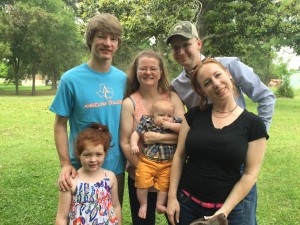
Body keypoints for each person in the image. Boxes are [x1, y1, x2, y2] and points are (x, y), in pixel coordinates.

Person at [166, 21, 276, 225]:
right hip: (201, 168)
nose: (181, 51)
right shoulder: (178, 85)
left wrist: (253, 139)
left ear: (198, 43)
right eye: (175, 48)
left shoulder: (229, 65)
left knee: (243, 216)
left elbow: (266, 97)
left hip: (236, 161)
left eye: (186, 44)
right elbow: (182, 124)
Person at [49, 13, 127, 205]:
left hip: (115, 169)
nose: (107, 43)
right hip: (81, 169)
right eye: (101, 36)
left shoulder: (124, 80)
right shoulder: (70, 79)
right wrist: (65, 163)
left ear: (117, 44)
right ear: (90, 39)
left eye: (113, 38)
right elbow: (60, 125)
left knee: (110, 216)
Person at [120, 50, 185, 225]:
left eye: (153, 68)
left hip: (171, 174)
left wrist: (155, 137)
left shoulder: (172, 98)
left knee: (177, 221)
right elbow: (125, 142)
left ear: (161, 72)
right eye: (143, 68)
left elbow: (185, 136)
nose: (148, 72)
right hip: (140, 176)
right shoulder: (129, 103)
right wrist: (144, 169)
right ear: (136, 72)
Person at [56, 123, 122, 225]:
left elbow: (116, 206)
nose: (93, 160)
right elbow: (62, 218)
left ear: (105, 153)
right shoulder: (71, 181)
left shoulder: (110, 177)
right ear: (78, 154)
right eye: (87, 155)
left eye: (98, 154)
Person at [130, 99, 182, 219]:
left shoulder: (174, 124)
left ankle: (159, 204)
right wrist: (133, 144)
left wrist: (170, 125)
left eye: (169, 115)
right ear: (153, 115)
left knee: (164, 185)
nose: (166, 118)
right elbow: (136, 134)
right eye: (161, 115)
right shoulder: (147, 122)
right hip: (147, 161)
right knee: (141, 182)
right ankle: (143, 204)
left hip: (167, 164)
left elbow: (183, 129)